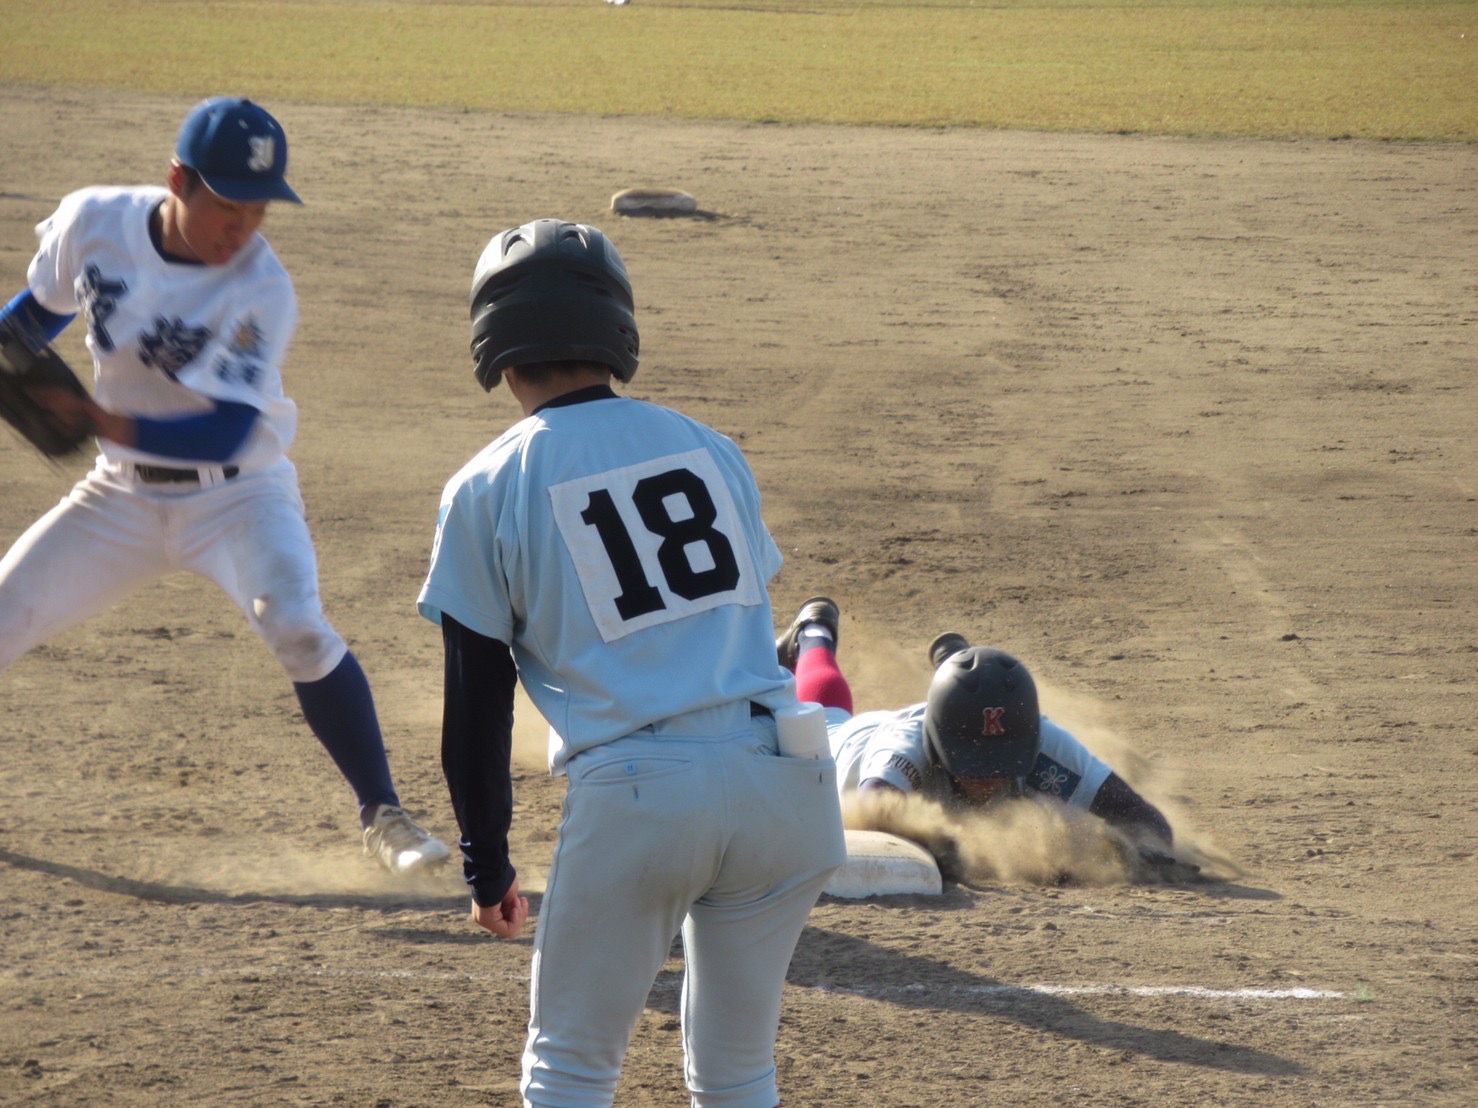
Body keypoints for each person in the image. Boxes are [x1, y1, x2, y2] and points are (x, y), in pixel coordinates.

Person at [417, 218, 846, 1107]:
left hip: (643, 795)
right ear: (616, 329)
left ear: (495, 347)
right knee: (738, 1074)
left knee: (569, 1070)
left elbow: (477, 708)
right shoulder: (710, 446)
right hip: (787, 786)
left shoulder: (490, 485)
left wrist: (485, 864)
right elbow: (734, 616)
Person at [0, 97, 448, 875]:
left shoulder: (261, 289)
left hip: (238, 496)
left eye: (260, 208)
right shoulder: (93, 220)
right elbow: (34, 319)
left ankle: (384, 814)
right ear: (179, 178)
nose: (242, 227)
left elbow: (225, 431)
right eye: (229, 204)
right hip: (121, 497)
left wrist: (93, 416)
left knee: (298, 625)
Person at [775, 596, 1186, 878]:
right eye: (973, 761)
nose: (988, 776)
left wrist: (1136, 851)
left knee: (973, 696)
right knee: (824, 713)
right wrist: (941, 845)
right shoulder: (902, 749)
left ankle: (958, 665)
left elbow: (1145, 820)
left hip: (948, 714)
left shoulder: (1036, 735)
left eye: (1002, 758)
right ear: (939, 743)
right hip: (848, 743)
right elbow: (872, 815)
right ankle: (814, 631)